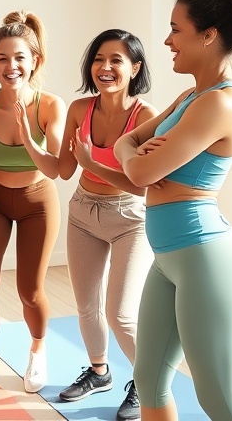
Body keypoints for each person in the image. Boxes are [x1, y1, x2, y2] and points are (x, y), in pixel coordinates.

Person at [113, 0, 232, 421]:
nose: (167, 40)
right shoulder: (191, 96)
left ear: (208, 35)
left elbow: (139, 174)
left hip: (205, 258)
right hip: (170, 257)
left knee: (219, 401)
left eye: (176, 29)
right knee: (148, 382)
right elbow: (125, 144)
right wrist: (140, 157)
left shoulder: (222, 103)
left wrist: (140, 161)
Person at [0, 10, 66, 403]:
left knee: (29, 290)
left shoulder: (49, 106)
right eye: (2, 58)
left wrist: (27, 135)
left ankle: (37, 352)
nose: (11, 66)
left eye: (20, 57)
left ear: (34, 61)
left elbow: (56, 168)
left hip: (37, 201)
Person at [57, 29, 159, 420]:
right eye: (99, 59)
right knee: (86, 307)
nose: (105, 67)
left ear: (134, 68)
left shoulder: (146, 117)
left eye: (116, 60)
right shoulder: (79, 110)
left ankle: (146, 382)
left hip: (129, 217)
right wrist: (28, 144)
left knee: (121, 314)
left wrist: (92, 164)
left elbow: (143, 183)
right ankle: (99, 372)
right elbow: (64, 170)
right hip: (83, 212)